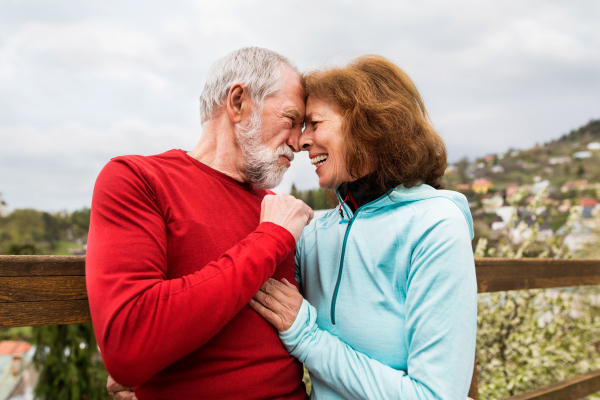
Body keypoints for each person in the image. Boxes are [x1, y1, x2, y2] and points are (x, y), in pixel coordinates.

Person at [86, 47, 314, 400]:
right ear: (238, 102)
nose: (299, 143)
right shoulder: (139, 179)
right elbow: (129, 347)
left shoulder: (279, 211)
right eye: (290, 119)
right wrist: (270, 238)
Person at [250, 55, 478, 400]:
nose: (301, 142)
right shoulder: (312, 233)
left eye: (313, 123)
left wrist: (307, 336)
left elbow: (434, 395)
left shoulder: (435, 226)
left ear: (367, 125)